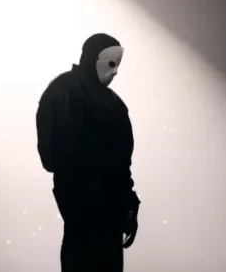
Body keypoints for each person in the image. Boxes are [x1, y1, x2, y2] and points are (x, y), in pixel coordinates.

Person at [36, 33, 140, 272]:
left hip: (103, 209)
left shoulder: (112, 102)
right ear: (94, 58)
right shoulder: (67, 90)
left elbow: (123, 162)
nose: (115, 72)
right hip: (86, 206)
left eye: (118, 64)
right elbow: (51, 156)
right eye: (111, 63)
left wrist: (128, 202)